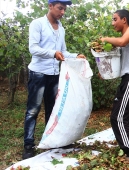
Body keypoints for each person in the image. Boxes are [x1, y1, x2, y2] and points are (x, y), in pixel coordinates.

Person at [22, 0, 86, 160]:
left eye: (64, 9)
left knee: (53, 110)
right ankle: (28, 145)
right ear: (50, 6)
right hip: (38, 73)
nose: (62, 12)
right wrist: (52, 53)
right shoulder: (37, 24)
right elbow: (33, 48)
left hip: (53, 74)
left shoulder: (61, 29)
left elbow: (62, 51)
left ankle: (51, 140)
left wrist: (75, 55)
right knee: (33, 110)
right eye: (60, 8)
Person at [99, 9, 129, 163]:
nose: (113, 23)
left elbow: (122, 41)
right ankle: (128, 151)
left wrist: (104, 39)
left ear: (124, 20)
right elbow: (116, 63)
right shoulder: (122, 40)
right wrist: (104, 72)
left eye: (115, 19)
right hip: (126, 79)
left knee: (120, 117)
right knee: (115, 117)